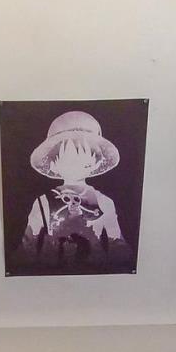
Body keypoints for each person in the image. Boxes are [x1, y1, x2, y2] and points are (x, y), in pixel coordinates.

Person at [17, 110, 129, 269]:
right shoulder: (43, 202)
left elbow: (117, 244)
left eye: (85, 163)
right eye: (68, 161)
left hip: (96, 270)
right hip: (51, 270)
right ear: (53, 163)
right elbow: (29, 243)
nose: (76, 167)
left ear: (95, 163)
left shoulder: (104, 202)